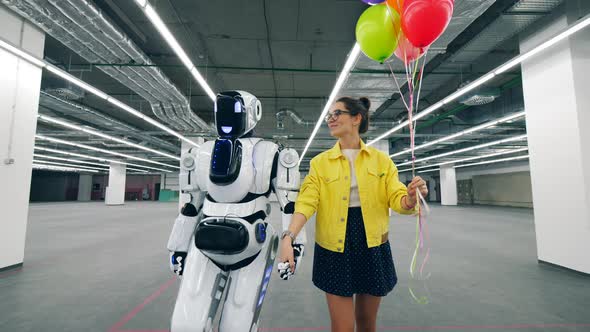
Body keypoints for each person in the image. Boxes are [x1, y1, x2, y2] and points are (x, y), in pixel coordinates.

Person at [278, 96, 428, 332]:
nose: (331, 119)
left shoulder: (382, 162)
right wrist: (289, 237)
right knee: (343, 327)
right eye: (329, 115)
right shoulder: (320, 163)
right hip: (334, 248)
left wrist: (410, 198)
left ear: (357, 118)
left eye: (337, 113)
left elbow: (397, 198)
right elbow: (306, 203)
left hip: (372, 245)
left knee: (367, 323)